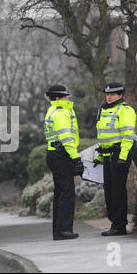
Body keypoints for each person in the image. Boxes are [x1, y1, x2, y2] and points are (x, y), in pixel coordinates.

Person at [94, 82, 136, 236]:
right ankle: (114, 223)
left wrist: (123, 158)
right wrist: (99, 156)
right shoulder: (104, 110)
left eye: (113, 94)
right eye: (107, 94)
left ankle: (119, 226)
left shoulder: (125, 110)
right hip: (107, 156)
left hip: (119, 156)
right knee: (109, 192)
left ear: (120, 95)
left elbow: (127, 136)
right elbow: (103, 136)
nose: (109, 97)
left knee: (118, 192)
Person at [44, 85, 84, 241]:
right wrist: (76, 158)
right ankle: (64, 230)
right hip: (62, 155)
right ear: (57, 98)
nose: (67, 98)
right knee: (66, 194)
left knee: (60, 193)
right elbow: (67, 139)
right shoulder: (61, 113)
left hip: (54, 154)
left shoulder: (52, 111)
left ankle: (58, 230)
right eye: (64, 96)